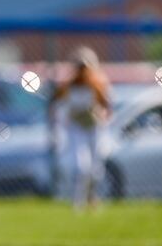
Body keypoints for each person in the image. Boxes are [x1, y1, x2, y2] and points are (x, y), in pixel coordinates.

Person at [50, 46, 112, 210]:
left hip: (93, 128)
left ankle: (92, 197)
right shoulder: (68, 86)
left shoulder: (96, 85)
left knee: (96, 169)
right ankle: (78, 202)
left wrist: (100, 116)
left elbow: (106, 106)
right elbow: (55, 103)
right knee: (81, 166)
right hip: (77, 129)